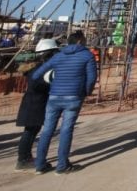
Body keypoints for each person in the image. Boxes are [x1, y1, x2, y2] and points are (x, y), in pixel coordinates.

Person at [32, 30, 97, 175]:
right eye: (85, 39)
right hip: (73, 97)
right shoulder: (87, 55)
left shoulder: (58, 56)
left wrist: (53, 83)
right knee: (66, 130)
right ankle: (62, 165)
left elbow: (36, 74)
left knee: (47, 130)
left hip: (54, 97)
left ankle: (40, 165)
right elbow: (92, 78)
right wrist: (86, 92)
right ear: (80, 41)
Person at [15, 39, 59, 171]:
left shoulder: (37, 66)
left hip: (34, 102)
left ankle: (25, 157)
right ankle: (23, 160)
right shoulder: (39, 69)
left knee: (32, 131)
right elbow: (38, 84)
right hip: (35, 103)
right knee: (30, 132)